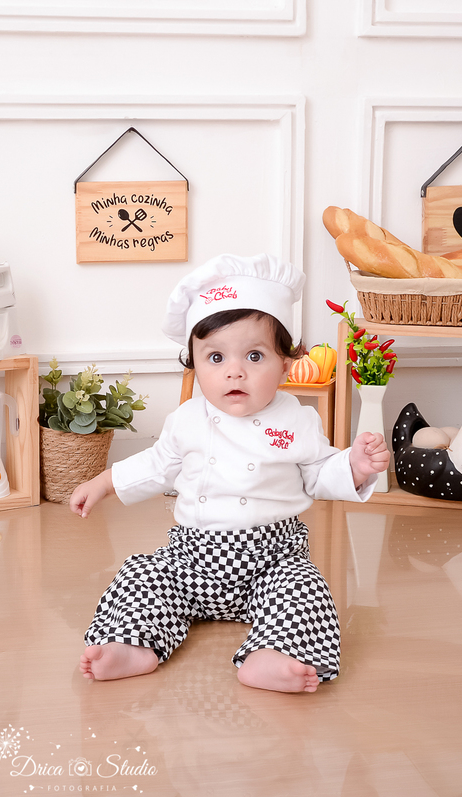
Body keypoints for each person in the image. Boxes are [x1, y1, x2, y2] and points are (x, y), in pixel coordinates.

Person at [73, 253, 389, 693]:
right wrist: (104, 482)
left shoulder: (296, 419)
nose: (234, 371)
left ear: (286, 363)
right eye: (215, 357)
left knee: (304, 589)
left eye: (255, 356)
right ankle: (132, 645)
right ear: (194, 364)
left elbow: (318, 472)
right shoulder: (186, 419)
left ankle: (274, 655)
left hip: (272, 560)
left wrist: (352, 467)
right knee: (141, 574)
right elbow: (156, 464)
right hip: (190, 561)